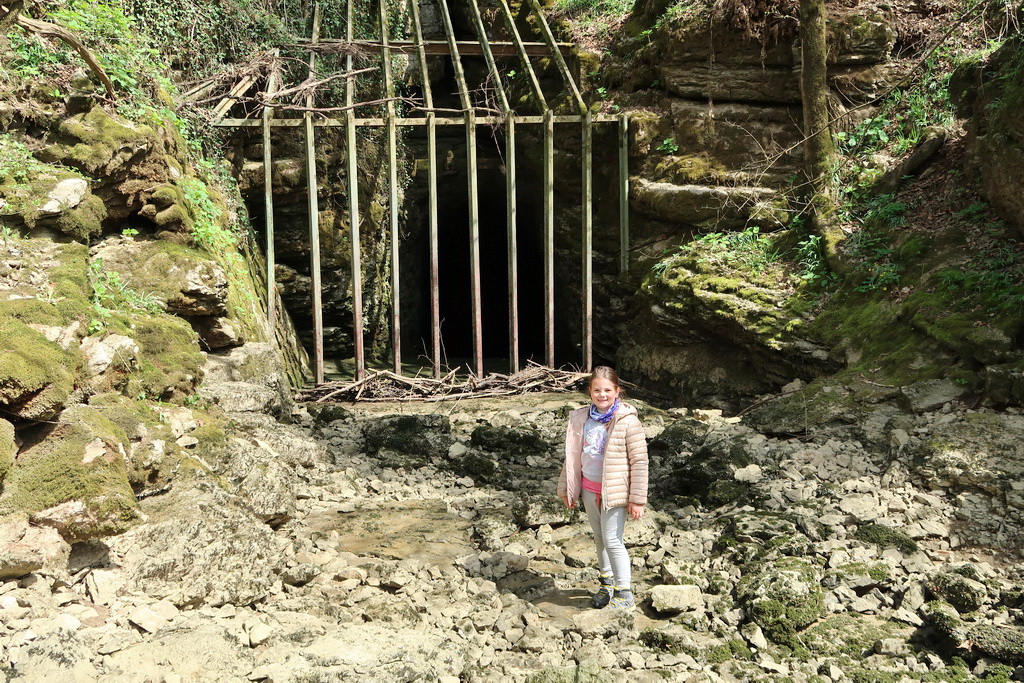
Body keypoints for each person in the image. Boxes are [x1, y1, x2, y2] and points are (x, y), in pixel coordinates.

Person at [557, 366, 649, 611]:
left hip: (615, 491)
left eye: (607, 390)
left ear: (617, 391)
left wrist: (637, 499)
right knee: (599, 539)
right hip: (589, 488)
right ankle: (607, 584)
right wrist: (567, 489)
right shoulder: (581, 418)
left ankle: (624, 592)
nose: (602, 395)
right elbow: (572, 456)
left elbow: (640, 461)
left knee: (612, 540)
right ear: (590, 391)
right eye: (597, 390)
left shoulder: (628, 421)